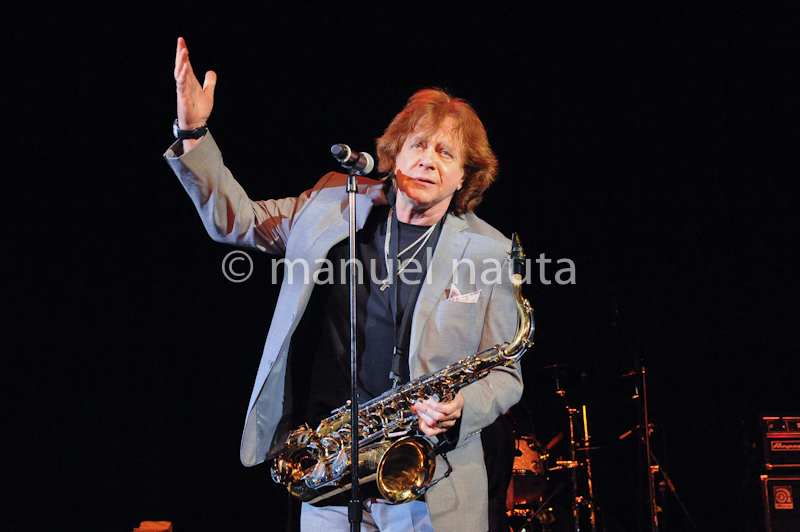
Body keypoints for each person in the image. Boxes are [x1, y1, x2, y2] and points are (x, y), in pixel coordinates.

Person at [165, 37, 523, 532]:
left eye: (446, 153)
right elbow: (236, 219)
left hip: (432, 486)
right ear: (394, 153)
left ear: (465, 175)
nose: (428, 161)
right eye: (418, 145)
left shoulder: (490, 252)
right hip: (332, 471)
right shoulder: (334, 205)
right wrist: (193, 131)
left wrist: (463, 407)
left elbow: (507, 375)